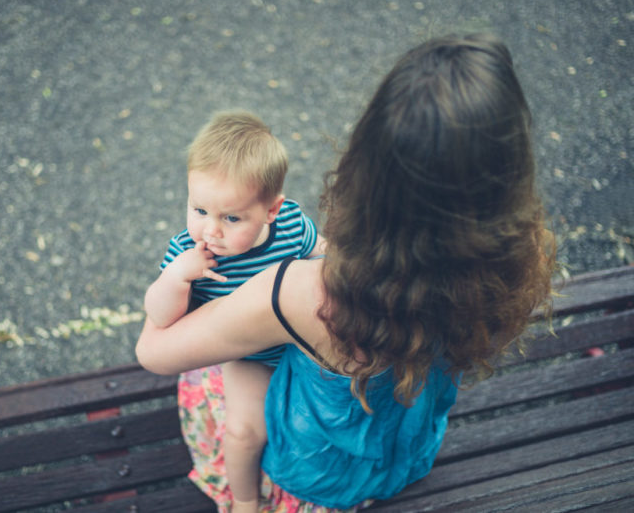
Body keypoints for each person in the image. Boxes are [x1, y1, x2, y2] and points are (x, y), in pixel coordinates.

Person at [137, 33, 556, 512]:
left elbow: (153, 351)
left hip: (318, 473)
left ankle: (245, 502)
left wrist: (175, 278)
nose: (211, 229)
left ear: (367, 165)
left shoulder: (296, 293)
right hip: (406, 448)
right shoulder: (512, 264)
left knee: (230, 407)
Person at [144, 110, 325, 512]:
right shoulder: (189, 254)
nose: (211, 230)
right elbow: (159, 317)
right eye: (199, 210)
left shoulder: (292, 224)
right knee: (245, 431)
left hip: (304, 344)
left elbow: (322, 251)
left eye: (231, 217)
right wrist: (177, 279)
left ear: (271, 211)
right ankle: (244, 499)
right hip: (250, 356)